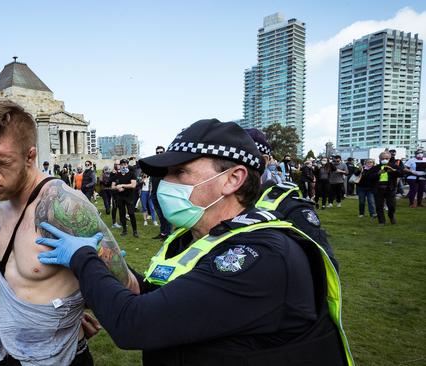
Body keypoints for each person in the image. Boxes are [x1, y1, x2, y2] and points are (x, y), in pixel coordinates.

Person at [36, 119, 353, 366]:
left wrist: (84, 260)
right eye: (165, 173)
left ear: (232, 179)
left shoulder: (260, 256)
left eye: (180, 172)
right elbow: (163, 297)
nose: (165, 183)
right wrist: (112, 267)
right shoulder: (190, 239)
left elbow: (135, 324)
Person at [0, 100, 135, 366]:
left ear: (30, 156)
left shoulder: (66, 207)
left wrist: (70, 309)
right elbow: (12, 282)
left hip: (60, 357)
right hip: (5, 350)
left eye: (1, 162)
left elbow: (128, 289)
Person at [368, 151, 401, 225]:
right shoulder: (375, 168)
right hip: (378, 189)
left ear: (389, 158)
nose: (384, 160)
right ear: (379, 158)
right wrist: (378, 173)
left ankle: (391, 216)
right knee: (379, 206)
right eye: (383, 158)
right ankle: (381, 221)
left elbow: (401, 173)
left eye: (386, 158)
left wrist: (393, 171)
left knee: (391, 205)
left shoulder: (393, 166)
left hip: (390, 188)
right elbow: (369, 177)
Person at [112, 158, 138, 237]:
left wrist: (122, 185)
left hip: (129, 197)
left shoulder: (131, 174)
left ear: (127, 165)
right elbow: (112, 186)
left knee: (131, 213)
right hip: (120, 197)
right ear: (120, 165)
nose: (123, 166)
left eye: (125, 164)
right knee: (122, 213)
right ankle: (124, 230)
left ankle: (135, 231)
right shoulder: (117, 175)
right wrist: (117, 187)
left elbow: (133, 185)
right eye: (122, 164)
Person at [150, 146, 171, 240]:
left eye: (161, 152)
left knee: (166, 215)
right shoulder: (154, 165)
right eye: (157, 152)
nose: (159, 154)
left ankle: (168, 234)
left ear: (164, 152)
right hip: (154, 194)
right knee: (160, 215)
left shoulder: (168, 165)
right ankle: (163, 233)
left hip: (164, 193)